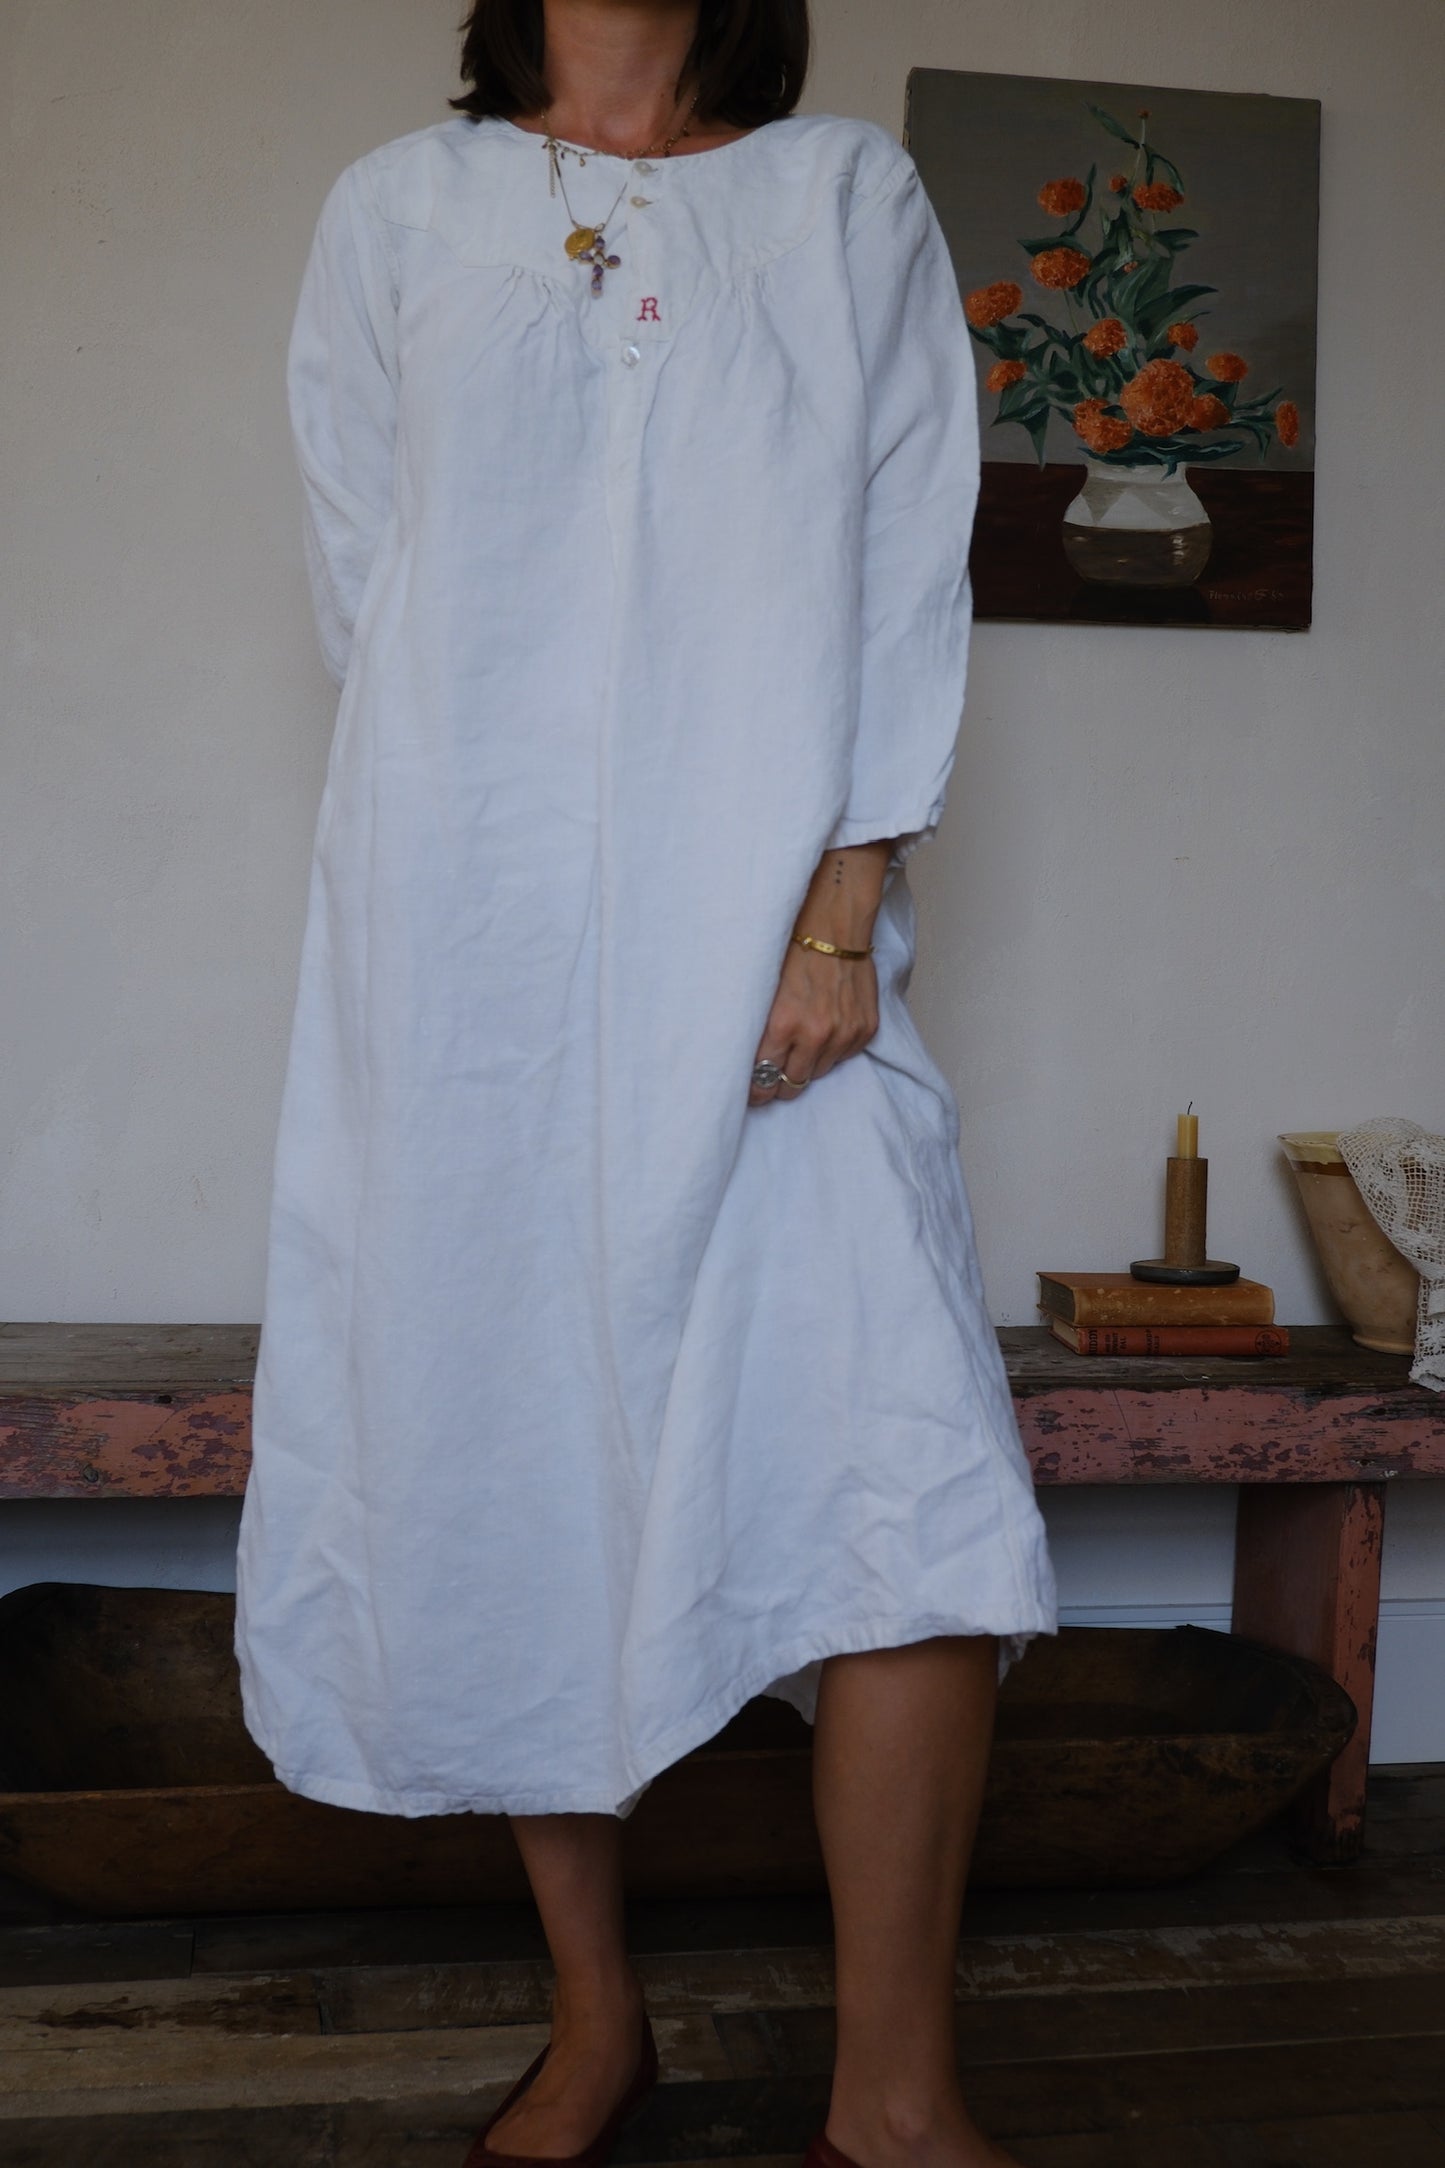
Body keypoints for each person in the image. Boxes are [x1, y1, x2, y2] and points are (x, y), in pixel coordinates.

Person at [233, 2, 1059, 2163]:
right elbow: (375, 591)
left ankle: (894, 2099)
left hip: (780, 952)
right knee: (513, 1456)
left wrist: (838, 909)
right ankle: (600, 2025)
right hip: (477, 963)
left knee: (905, 1485)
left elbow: (908, 549)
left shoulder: (842, 192)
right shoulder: (399, 211)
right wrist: (482, 912)